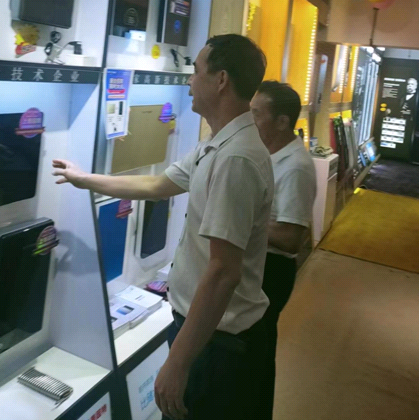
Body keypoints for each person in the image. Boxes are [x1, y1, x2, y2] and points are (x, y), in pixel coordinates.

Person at [53, 34, 274, 420]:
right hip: (205, 333)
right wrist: (84, 179)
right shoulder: (216, 145)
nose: (189, 81)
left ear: (221, 80)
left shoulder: (235, 159)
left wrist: (178, 362)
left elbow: (224, 272)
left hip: (218, 346)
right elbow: (157, 185)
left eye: (196, 71)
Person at [250, 81, 317, 420]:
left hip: (271, 272)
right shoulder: (266, 153)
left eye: (256, 114)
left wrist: (237, 221)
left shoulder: (295, 167)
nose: (249, 121)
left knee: (256, 355)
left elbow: (292, 237)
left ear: (281, 121)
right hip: (258, 266)